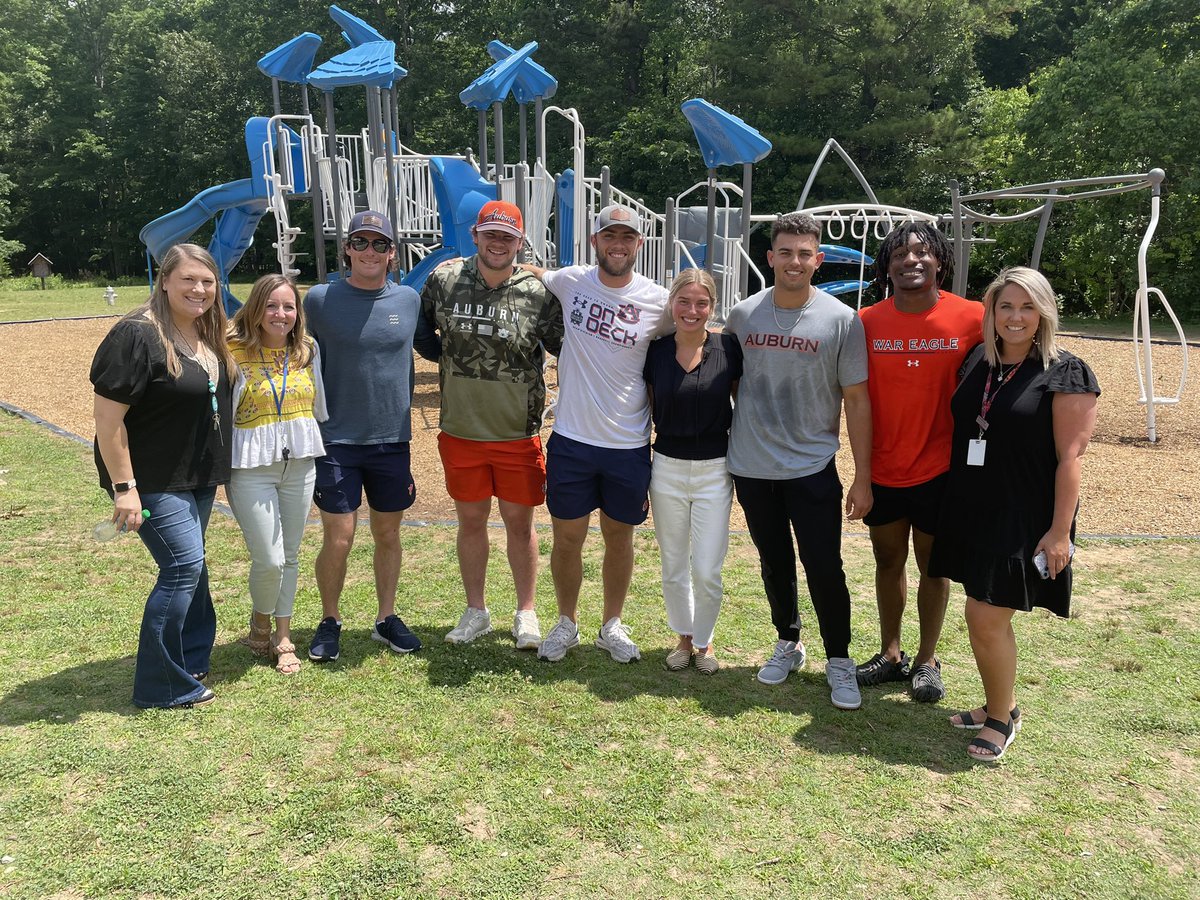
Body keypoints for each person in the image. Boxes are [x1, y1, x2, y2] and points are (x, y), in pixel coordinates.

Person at [930, 266, 1099, 762]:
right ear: (992, 312)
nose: (1017, 316)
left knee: (984, 616)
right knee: (980, 609)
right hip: (973, 506)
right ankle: (994, 703)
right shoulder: (979, 360)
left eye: (1028, 306)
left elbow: (1072, 457)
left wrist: (1060, 531)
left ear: (1044, 311)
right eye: (1006, 306)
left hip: (1024, 516)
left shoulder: (1065, 371)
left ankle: (1003, 718)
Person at [724, 212, 872, 710]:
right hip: (752, 465)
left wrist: (863, 476)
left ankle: (839, 659)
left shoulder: (841, 320)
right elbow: (728, 384)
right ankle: (788, 641)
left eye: (804, 253)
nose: (794, 261)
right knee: (774, 561)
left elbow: (856, 399)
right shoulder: (743, 315)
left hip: (812, 467)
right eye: (784, 252)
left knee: (824, 565)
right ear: (770, 257)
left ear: (818, 259)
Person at [91, 243, 235, 709]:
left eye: (208, 281)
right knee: (182, 567)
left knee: (193, 566)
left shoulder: (206, 332)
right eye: (189, 279)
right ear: (166, 281)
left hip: (194, 475)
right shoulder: (137, 335)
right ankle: (161, 685)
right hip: (149, 479)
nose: (199, 289)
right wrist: (124, 489)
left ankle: (191, 657)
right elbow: (108, 422)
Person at [416, 200, 563, 649]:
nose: (498, 243)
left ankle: (526, 612)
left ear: (520, 243)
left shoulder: (539, 292)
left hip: (516, 433)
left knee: (521, 525)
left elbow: (564, 345)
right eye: (491, 235)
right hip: (461, 428)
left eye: (508, 237)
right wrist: (455, 365)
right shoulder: (444, 279)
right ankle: (476, 610)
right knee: (471, 522)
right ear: (476, 236)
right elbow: (423, 332)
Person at [531, 204, 672, 663]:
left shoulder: (658, 300)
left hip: (628, 443)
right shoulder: (572, 281)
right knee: (567, 538)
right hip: (571, 438)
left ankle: (611, 624)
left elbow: (688, 339)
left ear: (639, 244)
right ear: (595, 242)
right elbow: (531, 270)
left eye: (627, 237)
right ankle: (566, 623)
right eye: (609, 235)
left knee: (619, 537)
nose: (618, 244)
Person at [855, 222, 983, 703]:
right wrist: (861, 475)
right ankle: (891, 654)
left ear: (940, 262)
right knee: (888, 559)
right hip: (885, 469)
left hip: (942, 470)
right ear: (887, 266)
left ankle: (927, 660)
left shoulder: (973, 317)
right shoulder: (865, 322)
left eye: (922, 253)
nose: (911, 261)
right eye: (900, 255)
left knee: (934, 565)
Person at [304, 210, 435, 662]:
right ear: (347, 250)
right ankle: (330, 619)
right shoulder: (318, 300)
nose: (369, 252)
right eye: (361, 242)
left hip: (391, 438)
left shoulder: (408, 301)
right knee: (338, 536)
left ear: (393, 253)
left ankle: (385, 618)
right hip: (336, 438)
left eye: (380, 244)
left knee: (388, 534)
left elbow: (439, 346)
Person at [227, 274, 327, 675]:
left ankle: (281, 635)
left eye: (288, 307)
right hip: (251, 466)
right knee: (267, 558)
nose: (280, 314)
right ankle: (260, 620)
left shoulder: (306, 350)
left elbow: (318, 405)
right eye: (271, 305)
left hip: (300, 463)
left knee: (289, 555)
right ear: (255, 309)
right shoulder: (232, 350)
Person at [643, 269, 741, 674]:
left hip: (715, 470)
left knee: (706, 567)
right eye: (684, 301)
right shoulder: (655, 351)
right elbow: (648, 406)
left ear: (712, 308)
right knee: (673, 564)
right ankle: (683, 638)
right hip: (665, 467)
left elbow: (744, 405)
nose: (692, 310)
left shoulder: (728, 348)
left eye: (702, 303)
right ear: (672, 303)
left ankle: (705, 641)